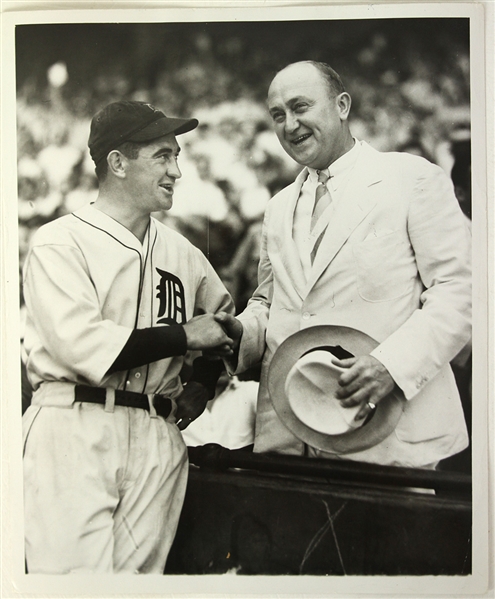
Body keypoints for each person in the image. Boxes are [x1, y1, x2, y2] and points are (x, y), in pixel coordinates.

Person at [217, 61, 472, 469]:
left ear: (342, 105)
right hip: (292, 434)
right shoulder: (278, 207)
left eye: (301, 106)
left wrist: (392, 365)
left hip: (390, 438)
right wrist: (240, 333)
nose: (290, 124)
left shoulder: (412, 178)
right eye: (278, 115)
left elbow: (461, 291)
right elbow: (271, 304)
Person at [21, 100, 236, 574]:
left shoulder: (184, 252)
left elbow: (224, 323)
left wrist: (201, 382)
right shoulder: (59, 242)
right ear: (117, 162)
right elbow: (82, 344)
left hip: (160, 434)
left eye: (176, 156)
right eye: (162, 156)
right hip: (75, 425)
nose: (176, 171)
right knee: (70, 586)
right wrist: (183, 337)